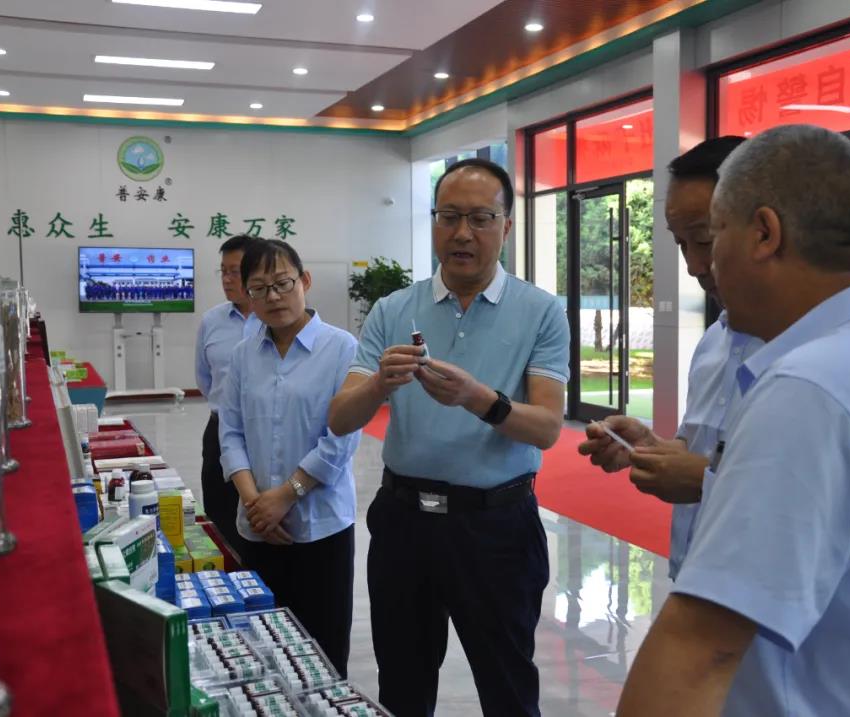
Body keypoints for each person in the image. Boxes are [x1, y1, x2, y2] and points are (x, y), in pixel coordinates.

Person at [613, 124, 850, 716]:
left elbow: (699, 650)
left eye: (714, 235)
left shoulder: (811, 388)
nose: (701, 266)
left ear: (764, 233)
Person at [328, 158, 570, 716]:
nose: (463, 233)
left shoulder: (540, 312)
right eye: (449, 216)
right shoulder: (394, 309)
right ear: (434, 222)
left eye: (481, 218)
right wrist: (378, 385)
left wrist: (477, 398)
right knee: (403, 686)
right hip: (404, 524)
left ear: (506, 226)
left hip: (496, 529)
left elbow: (547, 427)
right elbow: (340, 418)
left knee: (508, 687)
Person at [579, 136, 757, 582]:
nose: (695, 266)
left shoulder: (817, 362)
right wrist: (648, 446)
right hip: (695, 578)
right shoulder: (714, 343)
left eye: (704, 240)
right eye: (681, 244)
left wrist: (703, 482)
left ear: (767, 228)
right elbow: (699, 449)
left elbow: (823, 503)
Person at [219, 238, 360, 677]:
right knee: (263, 650)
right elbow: (231, 432)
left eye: (283, 283)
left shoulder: (342, 348)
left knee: (322, 654)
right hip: (258, 528)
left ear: (305, 281)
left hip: (321, 527)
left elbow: (340, 438)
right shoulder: (244, 354)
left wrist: (286, 495)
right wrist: (254, 504)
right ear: (248, 295)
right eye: (259, 289)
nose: (274, 297)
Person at [194, 234, 262, 554]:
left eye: (235, 271)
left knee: (262, 514)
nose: (227, 279)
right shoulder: (212, 321)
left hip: (264, 431)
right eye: (223, 271)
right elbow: (205, 379)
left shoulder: (276, 320)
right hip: (220, 430)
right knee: (220, 517)